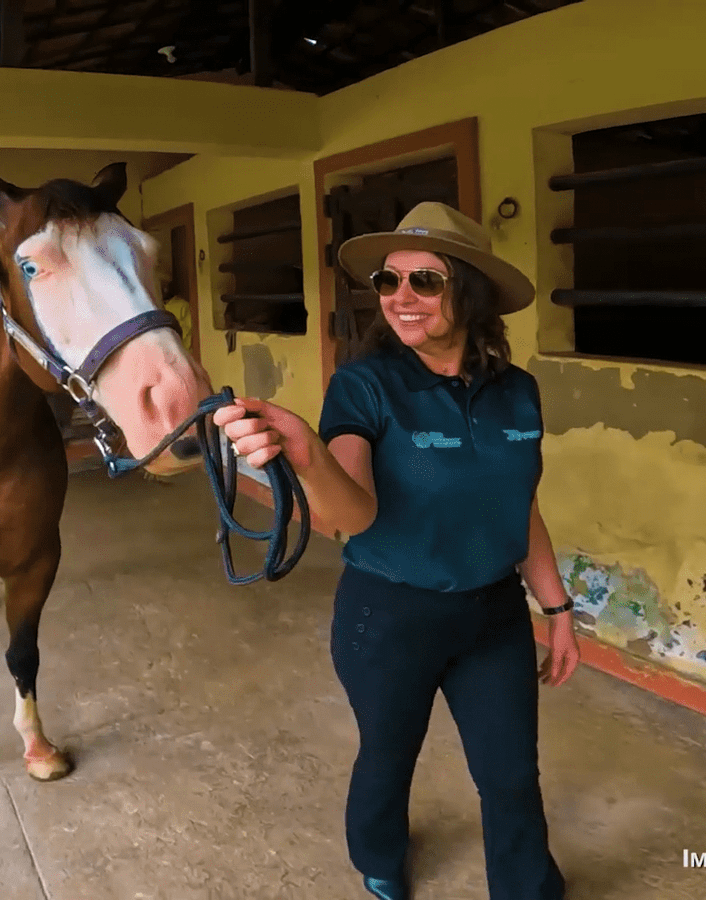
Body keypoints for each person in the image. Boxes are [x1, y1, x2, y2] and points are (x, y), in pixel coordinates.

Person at [212, 202, 581, 900]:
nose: (401, 297)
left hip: (493, 616)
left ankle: (528, 889)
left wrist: (558, 608)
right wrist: (307, 454)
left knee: (511, 773)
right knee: (388, 755)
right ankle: (379, 856)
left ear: (471, 291)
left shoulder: (518, 392)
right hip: (388, 615)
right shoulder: (366, 385)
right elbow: (353, 514)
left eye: (425, 281)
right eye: (388, 280)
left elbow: (521, 505)